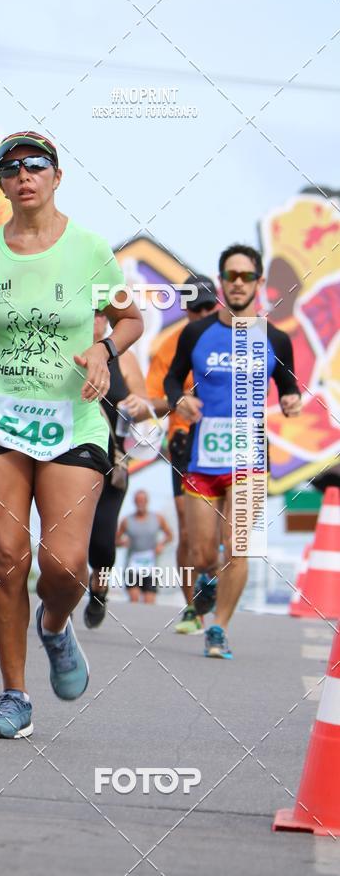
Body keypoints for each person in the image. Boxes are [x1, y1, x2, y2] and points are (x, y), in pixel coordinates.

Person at [0, 130, 143, 738]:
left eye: (36, 165)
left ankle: (55, 624)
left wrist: (105, 350)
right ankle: (13, 696)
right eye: (11, 168)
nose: (23, 174)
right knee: (7, 556)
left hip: (74, 417)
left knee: (65, 564)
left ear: (57, 175)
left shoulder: (88, 250)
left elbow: (130, 317)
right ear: (2, 184)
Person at [165, 244, 301, 658]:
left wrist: (292, 400)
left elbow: (289, 386)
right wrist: (179, 401)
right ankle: (206, 583)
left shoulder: (275, 338)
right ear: (222, 281)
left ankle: (219, 628)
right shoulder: (196, 332)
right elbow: (172, 380)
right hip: (202, 459)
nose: (238, 283)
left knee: (237, 545)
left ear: (259, 283)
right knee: (202, 552)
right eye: (231, 276)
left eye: (246, 276)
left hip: (250, 461)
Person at [144, 275, 219, 633]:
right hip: (184, 440)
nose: (202, 314)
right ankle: (192, 608)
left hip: (226, 443)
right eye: (196, 309)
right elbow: (152, 405)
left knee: (218, 531)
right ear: (186, 310)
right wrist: (178, 400)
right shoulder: (171, 345)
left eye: (208, 307)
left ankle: (214, 590)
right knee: (187, 529)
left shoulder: (238, 338)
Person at [84, 309, 149, 628]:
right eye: (90, 313)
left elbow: (145, 403)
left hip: (113, 463)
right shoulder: (64, 351)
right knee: (66, 536)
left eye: (101, 314)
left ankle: (99, 588)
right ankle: (59, 593)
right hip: (69, 455)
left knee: (103, 540)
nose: (96, 320)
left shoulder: (124, 358)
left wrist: (138, 404)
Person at [116, 490, 173, 603]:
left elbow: (169, 535)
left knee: (149, 602)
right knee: (134, 600)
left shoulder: (157, 518)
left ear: (147, 502)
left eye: (142, 500)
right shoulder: (127, 521)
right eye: (138, 501)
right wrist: (123, 543)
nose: (140, 503)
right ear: (134, 502)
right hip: (132, 566)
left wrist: (161, 545)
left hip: (150, 566)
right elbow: (115, 540)